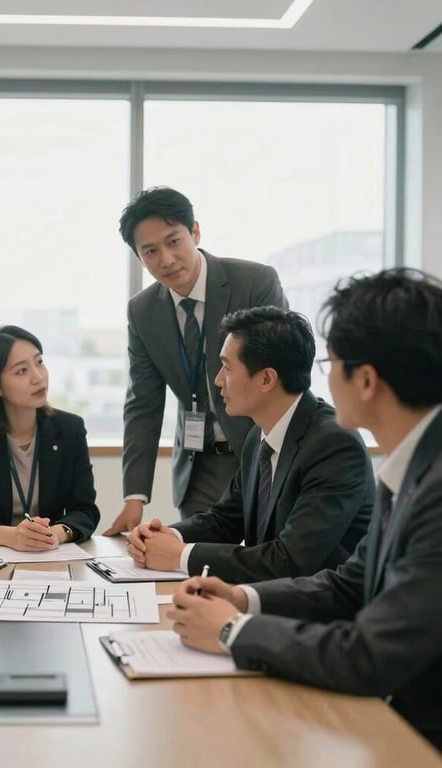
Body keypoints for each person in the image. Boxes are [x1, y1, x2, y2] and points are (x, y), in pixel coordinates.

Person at [167, 269, 442, 751]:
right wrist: (242, 599)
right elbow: (347, 584)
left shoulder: (429, 486)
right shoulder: (412, 467)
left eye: (331, 362)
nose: (324, 377)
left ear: (367, 380)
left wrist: (233, 631)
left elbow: (368, 655)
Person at [126, 306, 373, 583]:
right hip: (271, 602)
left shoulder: (334, 446)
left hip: (321, 614)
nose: (218, 380)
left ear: (267, 379)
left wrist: (180, 555)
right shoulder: (259, 436)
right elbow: (225, 519)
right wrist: (166, 536)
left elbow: (290, 560)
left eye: (227, 367)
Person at [105, 186, 288, 534]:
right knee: (198, 572)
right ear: (138, 257)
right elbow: (142, 402)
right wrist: (134, 496)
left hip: (263, 451)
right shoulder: (143, 311)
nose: (166, 259)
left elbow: (284, 372)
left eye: (174, 241)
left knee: (266, 567)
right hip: (198, 464)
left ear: (196, 232)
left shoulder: (254, 283)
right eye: (150, 251)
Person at [0, 325, 100, 549]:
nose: (38, 378)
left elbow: (85, 510)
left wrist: (57, 532)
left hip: (52, 556)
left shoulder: (70, 430)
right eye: (21, 371)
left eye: (39, 363)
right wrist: (10, 536)